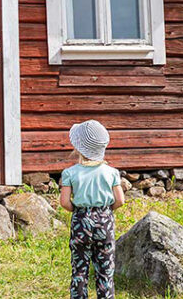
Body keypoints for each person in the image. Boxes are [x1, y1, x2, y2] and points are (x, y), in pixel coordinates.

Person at [59, 120, 125, 299]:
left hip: (80, 221)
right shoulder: (111, 172)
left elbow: (64, 202)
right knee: (105, 272)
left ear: (79, 147)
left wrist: (79, 210)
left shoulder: (70, 173)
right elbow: (120, 200)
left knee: (79, 271)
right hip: (105, 221)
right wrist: (105, 210)